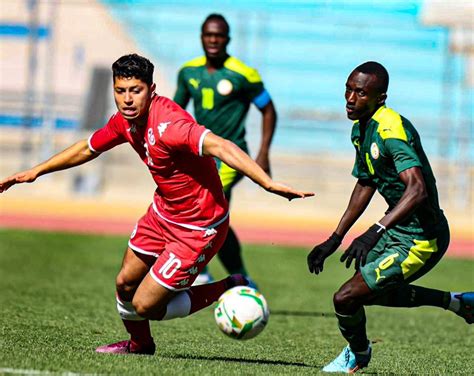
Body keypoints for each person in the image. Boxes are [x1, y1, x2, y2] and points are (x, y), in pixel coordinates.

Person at [0, 54, 313, 355]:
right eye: (120, 91)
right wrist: (37, 171)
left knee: (146, 305)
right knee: (124, 283)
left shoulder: (170, 125)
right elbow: (88, 148)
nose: (127, 99)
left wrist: (267, 183)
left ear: (151, 90)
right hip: (162, 214)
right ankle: (140, 345)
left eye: (135, 91)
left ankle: (230, 284)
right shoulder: (124, 121)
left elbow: (220, 145)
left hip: (198, 227)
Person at [306, 61, 473, 373]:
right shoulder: (360, 130)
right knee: (360, 295)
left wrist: (375, 231)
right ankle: (458, 303)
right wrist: (335, 238)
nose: (350, 98)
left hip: (422, 238)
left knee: (345, 298)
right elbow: (367, 181)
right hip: (397, 232)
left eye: (361, 92)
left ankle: (358, 354)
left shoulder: (390, 130)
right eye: (348, 89)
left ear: (380, 97)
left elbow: (418, 189)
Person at [174, 14, 277, 286]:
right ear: (201, 37)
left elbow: (268, 109)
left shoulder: (243, 74)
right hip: (199, 156)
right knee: (206, 215)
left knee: (208, 211)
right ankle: (217, 274)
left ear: (227, 39)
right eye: (208, 35)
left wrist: (263, 152)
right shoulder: (188, 72)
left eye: (218, 35)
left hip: (232, 157)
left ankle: (229, 277)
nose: (213, 40)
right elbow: (175, 112)